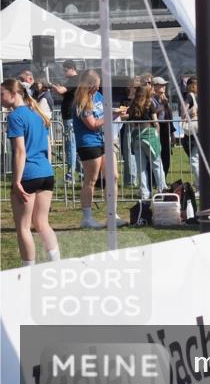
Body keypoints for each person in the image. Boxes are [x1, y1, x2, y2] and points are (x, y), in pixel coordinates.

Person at [3, 79, 60, 265]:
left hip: (28, 175)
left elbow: (20, 151)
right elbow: (46, 146)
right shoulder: (36, 114)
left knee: (23, 227)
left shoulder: (15, 117)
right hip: (46, 173)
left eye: (1, 94)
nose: (0, 98)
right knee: (42, 223)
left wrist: (17, 181)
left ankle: (28, 270)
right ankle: (56, 262)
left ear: (14, 94)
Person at [72, 69, 123, 228]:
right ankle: (87, 218)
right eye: (97, 85)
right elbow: (92, 124)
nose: (99, 88)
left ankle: (112, 214)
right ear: (90, 85)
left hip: (104, 141)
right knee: (91, 180)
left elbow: (104, 112)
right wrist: (110, 116)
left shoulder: (98, 96)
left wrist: (118, 112)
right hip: (89, 143)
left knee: (113, 176)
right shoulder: (82, 101)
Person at [123, 84, 166, 200]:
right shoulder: (149, 103)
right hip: (149, 134)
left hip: (137, 135)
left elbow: (131, 123)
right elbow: (155, 121)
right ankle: (162, 189)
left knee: (140, 166)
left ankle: (144, 192)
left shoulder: (132, 105)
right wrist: (157, 133)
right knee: (157, 164)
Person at [50, 61, 81, 180]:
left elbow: (61, 91)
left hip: (70, 117)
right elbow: (67, 94)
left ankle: (70, 174)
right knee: (74, 145)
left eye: (65, 70)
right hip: (71, 115)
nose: (63, 72)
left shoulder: (74, 80)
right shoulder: (74, 81)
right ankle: (81, 171)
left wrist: (51, 85)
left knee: (70, 145)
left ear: (72, 69)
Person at [151, 77, 173, 176]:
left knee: (166, 155)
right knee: (156, 155)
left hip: (165, 128)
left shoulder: (164, 98)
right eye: (161, 85)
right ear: (154, 86)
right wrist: (164, 105)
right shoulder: (150, 99)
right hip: (156, 128)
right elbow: (152, 112)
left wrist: (172, 132)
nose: (164, 87)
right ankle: (156, 179)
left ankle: (163, 177)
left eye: (164, 85)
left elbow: (169, 115)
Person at [180, 76, 200, 187]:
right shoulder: (201, 96)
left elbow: (183, 112)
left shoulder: (190, 96)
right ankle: (199, 184)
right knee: (198, 159)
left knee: (194, 160)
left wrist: (188, 113)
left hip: (194, 131)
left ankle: (201, 186)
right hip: (200, 130)